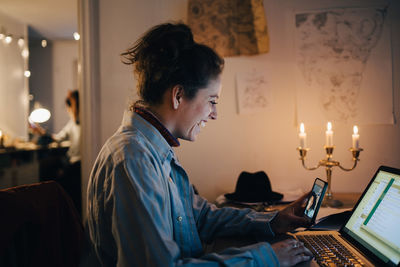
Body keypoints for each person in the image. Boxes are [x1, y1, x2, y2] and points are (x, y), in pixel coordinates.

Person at [86, 22, 313, 266]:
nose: (214, 114)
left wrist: (272, 221)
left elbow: (198, 217)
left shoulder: (153, 149)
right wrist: (266, 258)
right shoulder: (134, 159)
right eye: (212, 101)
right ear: (178, 96)